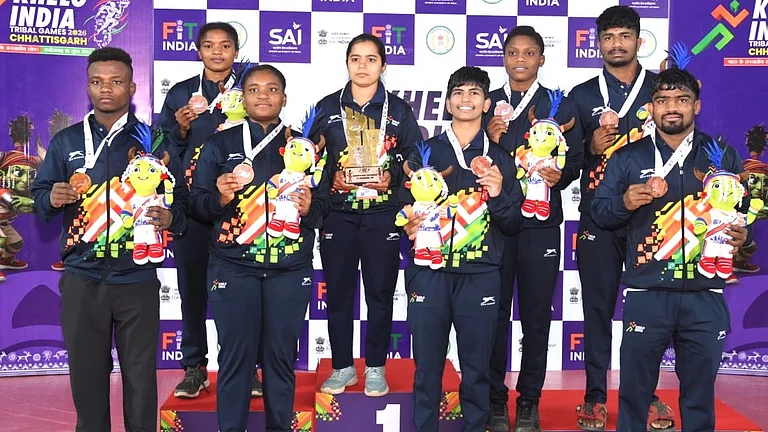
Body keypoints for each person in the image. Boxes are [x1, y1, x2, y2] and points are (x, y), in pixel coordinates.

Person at [31, 47, 187, 432]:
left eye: (116, 82)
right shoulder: (67, 141)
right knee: (87, 379)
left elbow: (182, 201)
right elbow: (40, 197)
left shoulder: (154, 140)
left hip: (136, 278)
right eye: (98, 82)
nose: (106, 89)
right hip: (82, 278)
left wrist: (172, 216)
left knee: (139, 379)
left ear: (132, 87)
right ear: (88, 86)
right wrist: (50, 197)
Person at [592, 67, 753, 432]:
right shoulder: (627, 157)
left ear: (696, 105)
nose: (672, 109)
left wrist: (745, 237)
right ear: (651, 108)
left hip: (705, 292)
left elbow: (742, 215)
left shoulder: (720, 155)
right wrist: (624, 203)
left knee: (699, 397)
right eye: (663, 101)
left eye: (681, 100)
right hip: (647, 291)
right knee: (634, 394)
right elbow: (599, 212)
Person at [188, 64, 330, 432]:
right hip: (232, 269)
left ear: (284, 97)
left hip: (289, 269)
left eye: (271, 89)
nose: (262, 96)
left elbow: (328, 204)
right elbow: (196, 204)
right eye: (253, 89)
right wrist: (218, 198)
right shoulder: (220, 143)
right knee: (235, 360)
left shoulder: (304, 146)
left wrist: (310, 207)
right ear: (242, 97)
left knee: (280, 361)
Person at [567, 6, 674, 430]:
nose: (617, 43)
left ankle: (645, 396)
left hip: (654, 218)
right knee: (596, 311)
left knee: (649, 311)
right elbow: (563, 165)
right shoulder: (582, 94)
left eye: (624, 35)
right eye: (608, 36)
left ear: (638, 39)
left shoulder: (662, 88)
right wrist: (590, 146)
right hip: (599, 215)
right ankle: (595, 396)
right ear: (598, 42)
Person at [400, 65, 522, 432]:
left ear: (487, 103)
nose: (465, 99)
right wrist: (407, 223)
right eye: (458, 93)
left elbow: (514, 223)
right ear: (448, 102)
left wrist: (499, 194)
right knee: (426, 367)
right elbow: (401, 210)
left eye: (474, 93)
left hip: (481, 275)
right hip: (429, 272)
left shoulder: (501, 158)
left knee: (476, 368)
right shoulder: (425, 152)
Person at [311, 33, 422, 397]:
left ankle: (375, 367)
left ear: (383, 66)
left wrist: (394, 180)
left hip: (382, 214)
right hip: (339, 215)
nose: (362, 66)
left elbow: (413, 157)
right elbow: (309, 161)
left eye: (370, 59)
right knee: (339, 293)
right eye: (355, 59)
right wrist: (332, 180)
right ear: (346, 63)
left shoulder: (399, 110)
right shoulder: (327, 107)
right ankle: (342, 366)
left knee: (379, 292)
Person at [483, 25, 582, 432]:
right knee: (492, 318)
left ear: (541, 59)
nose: (520, 59)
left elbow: (576, 160)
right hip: (494, 225)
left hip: (540, 225)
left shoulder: (559, 103)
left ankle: (528, 402)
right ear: (503, 58)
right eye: (512, 52)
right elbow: (470, 154)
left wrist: (563, 173)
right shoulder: (486, 103)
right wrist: (490, 142)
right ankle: (492, 401)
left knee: (537, 317)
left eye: (529, 53)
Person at [158, 22, 263, 398]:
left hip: (241, 202)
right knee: (192, 290)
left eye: (225, 46)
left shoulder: (252, 89)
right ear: (198, 50)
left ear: (236, 50)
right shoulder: (183, 94)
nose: (217, 52)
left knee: (241, 291)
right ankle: (193, 368)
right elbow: (162, 148)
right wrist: (181, 129)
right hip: (192, 200)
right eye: (209, 45)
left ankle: (246, 366)